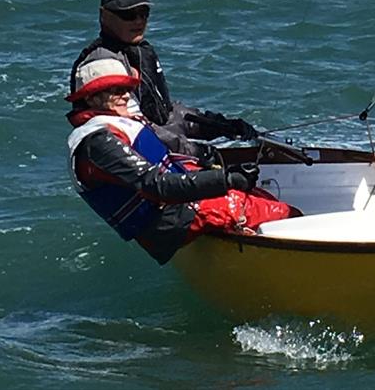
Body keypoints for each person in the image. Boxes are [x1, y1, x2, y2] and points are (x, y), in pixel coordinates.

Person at [66, 58, 296, 263]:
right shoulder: (97, 142)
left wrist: (216, 162)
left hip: (178, 207)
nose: (126, 95)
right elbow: (156, 185)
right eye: (115, 90)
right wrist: (226, 180)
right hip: (171, 221)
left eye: (126, 88)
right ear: (91, 97)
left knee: (260, 197)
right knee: (286, 214)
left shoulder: (115, 123)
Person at [69, 0, 258, 157]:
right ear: (104, 15)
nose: (138, 21)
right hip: (139, 162)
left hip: (166, 147)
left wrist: (222, 126)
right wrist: (196, 151)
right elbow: (138, 128)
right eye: (128, 15)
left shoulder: (140, 51)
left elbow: (165, 113)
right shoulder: (103, 64)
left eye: (144, 13)